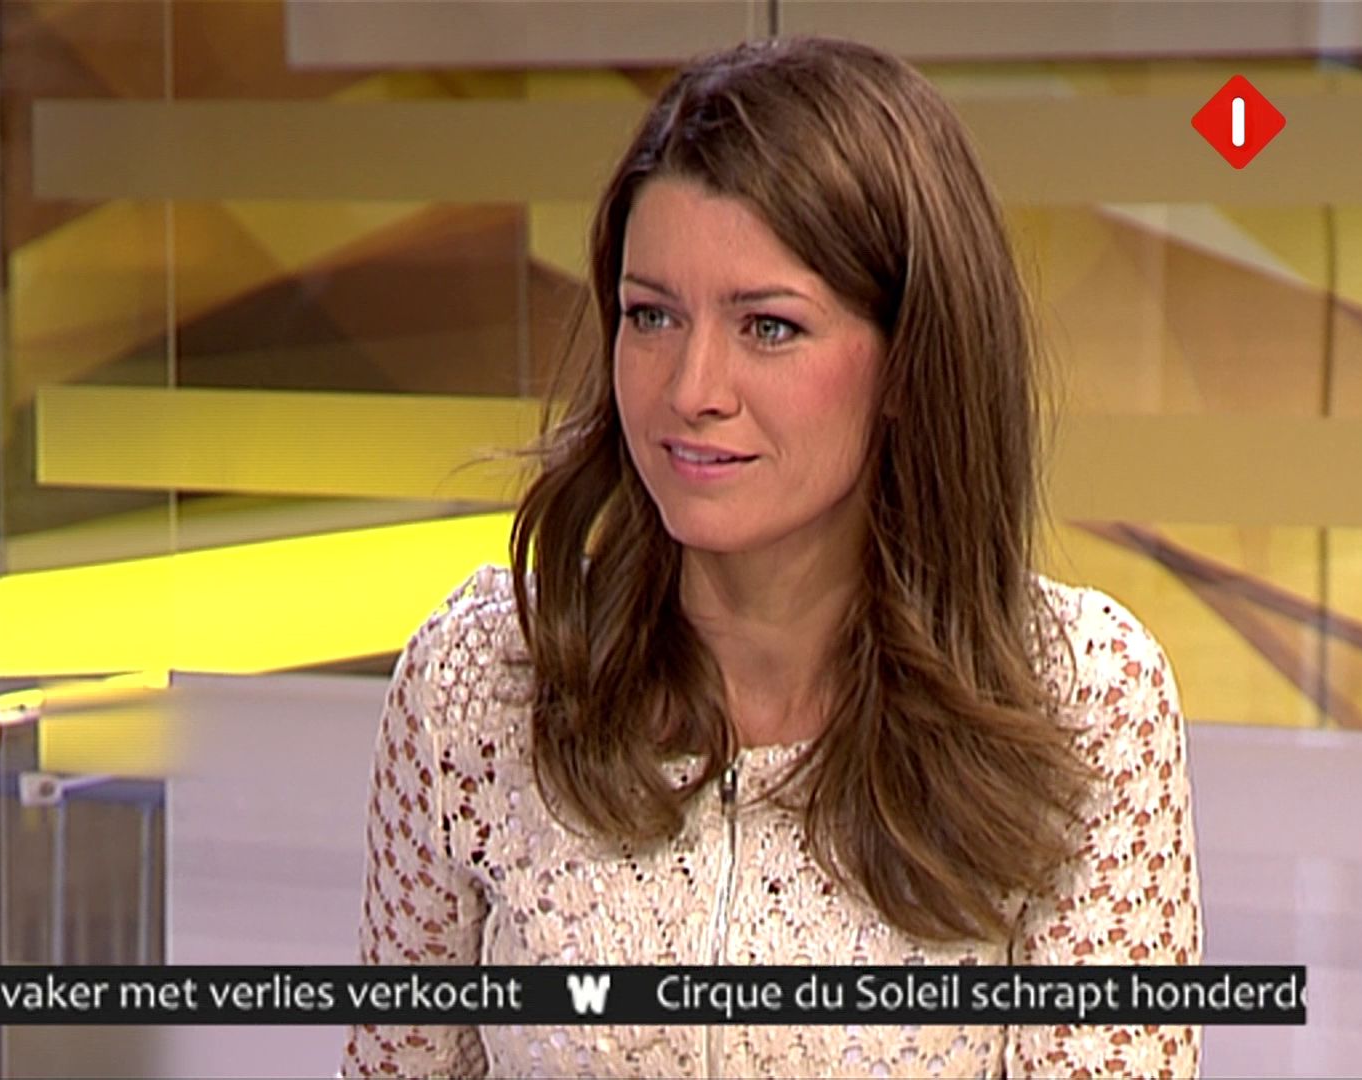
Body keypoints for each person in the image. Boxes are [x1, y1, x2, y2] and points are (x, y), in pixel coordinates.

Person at [340, 36, 1202, 1079]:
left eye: (769, 327)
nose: (691, 388)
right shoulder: (480, 682)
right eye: (651, 316)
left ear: (908, 360)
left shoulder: (1083, 698)